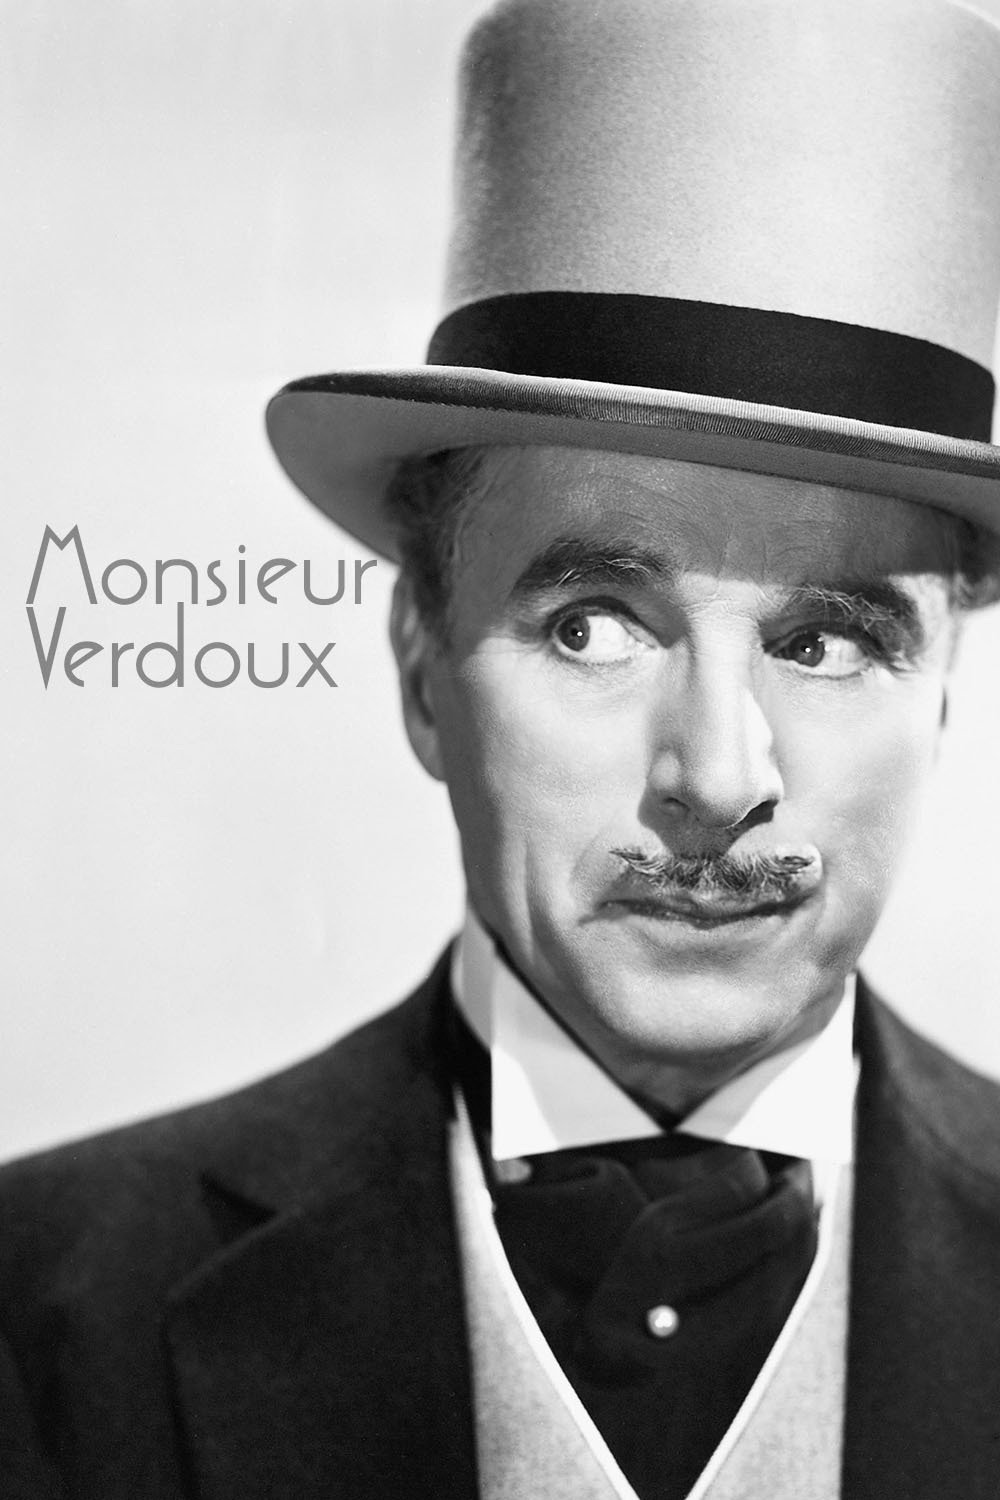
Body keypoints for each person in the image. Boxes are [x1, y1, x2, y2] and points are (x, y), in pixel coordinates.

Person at [5, 0, 1000, 1496]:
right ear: (422, 666)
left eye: (825, 642)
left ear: (945, 700)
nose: (719, 778)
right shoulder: (42, 1312)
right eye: (595, 624)